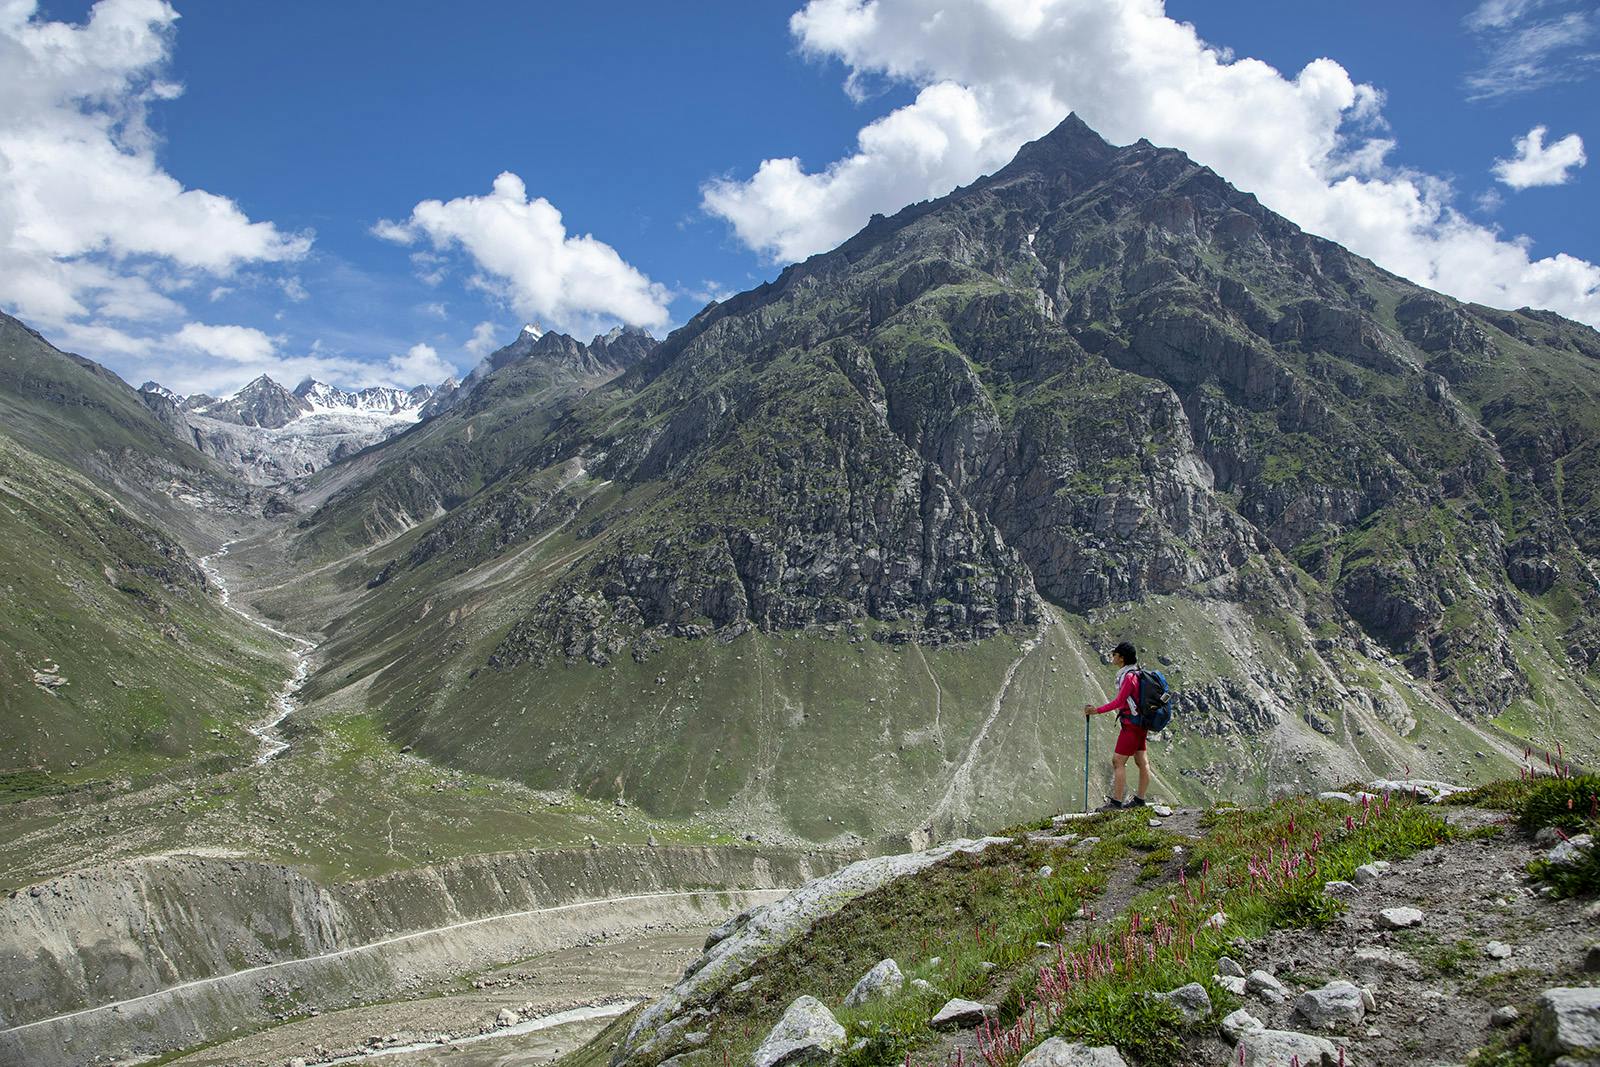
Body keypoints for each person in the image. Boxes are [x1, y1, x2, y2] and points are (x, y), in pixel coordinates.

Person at [1083, 641, 1150, 811]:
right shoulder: (1137, 673)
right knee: (1141, 760)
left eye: (1115, 654)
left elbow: (1120, 701)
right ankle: (1140, 800)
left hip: (1131, 725)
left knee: (1118, 761)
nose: (1112, 657)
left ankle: (1116, 803)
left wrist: (1097, 710)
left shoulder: (1128, 677)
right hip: (1142, 723)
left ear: (1121, 658)